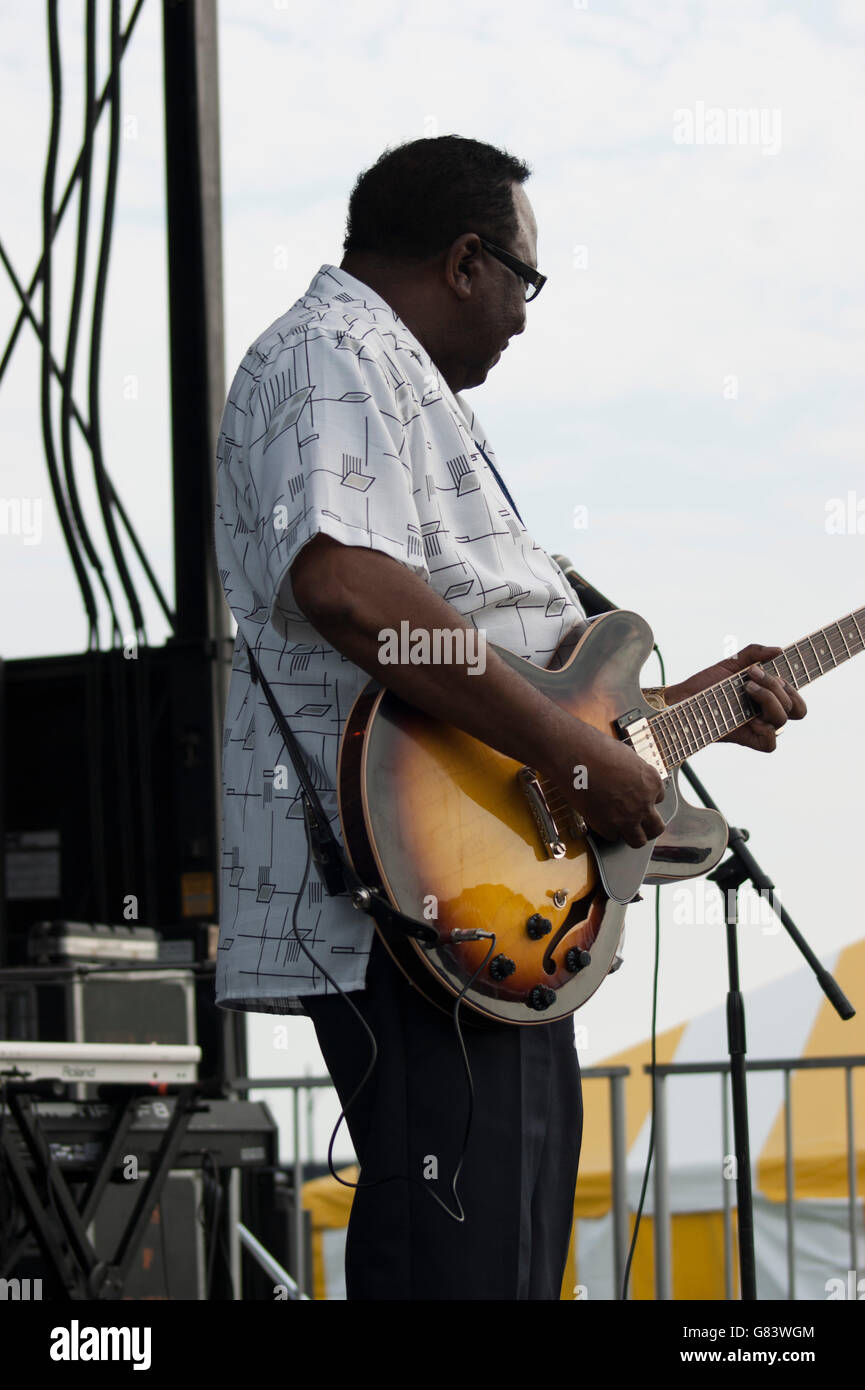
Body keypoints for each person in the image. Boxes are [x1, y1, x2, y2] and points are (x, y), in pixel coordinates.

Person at [213, 135, 806, 1300]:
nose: (527, 319)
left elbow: (542, 699)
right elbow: (345, 586)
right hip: (425, 892)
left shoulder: (383, 373)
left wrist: (689, 711)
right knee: (463, 1259)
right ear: (467, 258)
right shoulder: (335, 352)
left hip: (496, 892)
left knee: (506, 1255)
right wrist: (571, 755)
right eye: (526, 283)